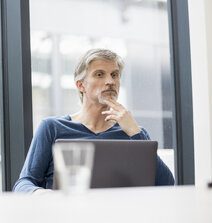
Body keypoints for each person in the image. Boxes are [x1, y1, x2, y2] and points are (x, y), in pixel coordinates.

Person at [13, 48, 175, 194]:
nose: (110, 81)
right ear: (81, 85)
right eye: (99, 74)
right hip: (66, 219)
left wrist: (135, 133)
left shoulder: (134, 133)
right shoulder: (52, 128)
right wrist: (42, 194)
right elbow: (23, 184)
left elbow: (167, 184)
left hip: (120, 220)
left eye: (114, 74)